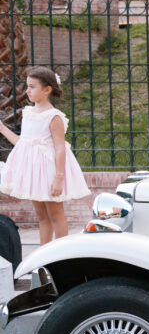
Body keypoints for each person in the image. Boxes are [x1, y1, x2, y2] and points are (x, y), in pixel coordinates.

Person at [0, 67, 90, 244]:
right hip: (35, 173)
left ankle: (60, 254)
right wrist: (2, 129)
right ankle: (43, 254)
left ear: (47, 90)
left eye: (32, 87)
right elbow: (22, 142)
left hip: (49, 171)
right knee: (42, 216)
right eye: (27, 86)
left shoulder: (53, 117)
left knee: (56, 214)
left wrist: (58, 178)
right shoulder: (28, 113)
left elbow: (59, 148)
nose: (27, 91)